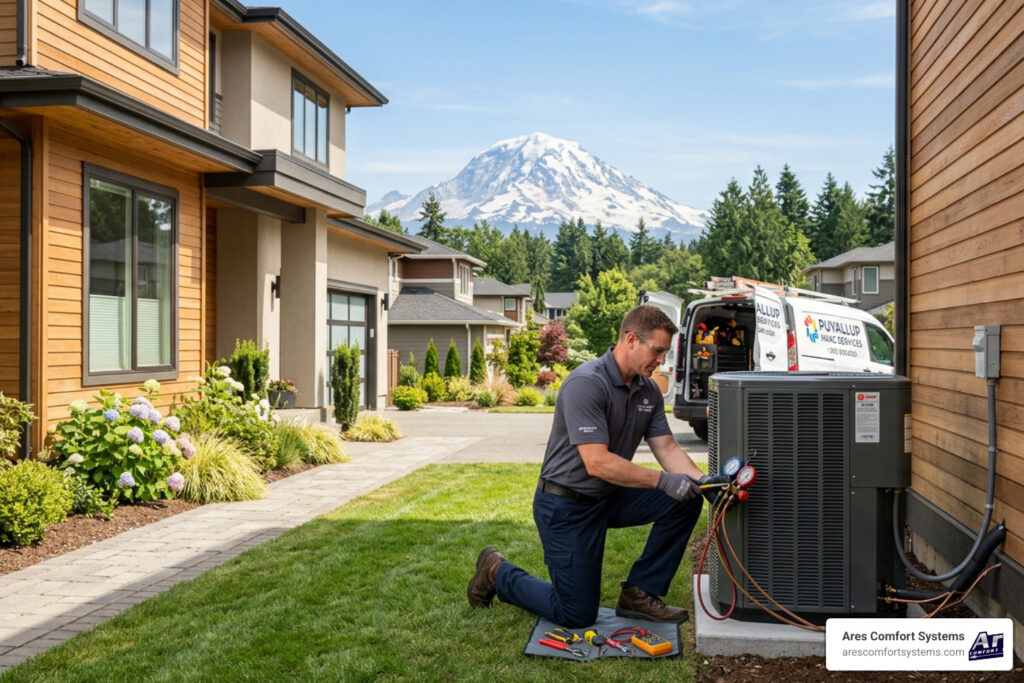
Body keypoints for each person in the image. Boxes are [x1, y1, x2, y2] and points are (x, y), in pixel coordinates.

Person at [467, 304, 711, 628]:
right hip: (566, 506)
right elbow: (596, 462)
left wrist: (705, 481)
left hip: (609, 498)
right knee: (576, 614)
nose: (661, 361)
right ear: (631, 340)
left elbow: (666, 447)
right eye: (658, 351)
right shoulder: (586, 383)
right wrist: (662, 481)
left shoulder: (648, 390)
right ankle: (497, 572)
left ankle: (640, 592)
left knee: (688, 497)